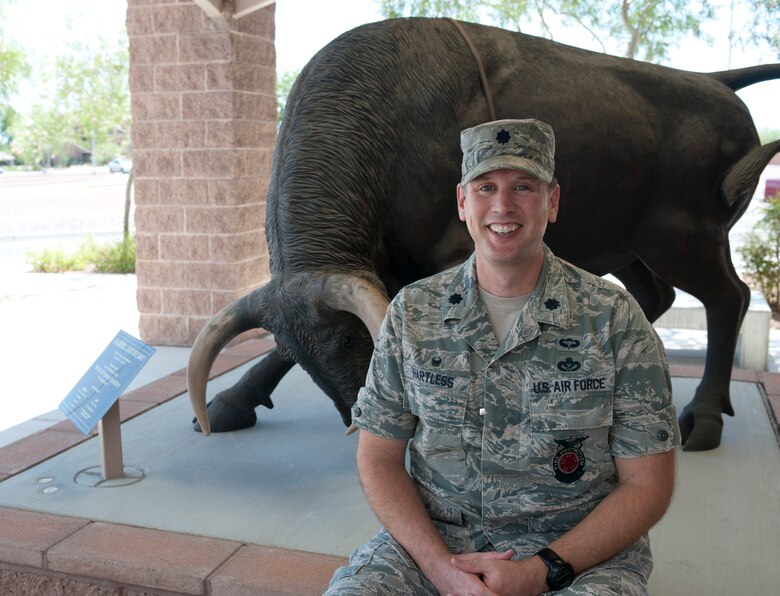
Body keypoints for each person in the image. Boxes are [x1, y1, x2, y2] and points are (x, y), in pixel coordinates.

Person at [325, 119, 680, 595]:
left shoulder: (612, 319)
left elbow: (647, 484)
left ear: (552, 202)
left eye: (524, 187)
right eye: (486, 186)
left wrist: (542, 570)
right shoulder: (413, 313)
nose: (503, 206)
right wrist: (441, 570)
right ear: (462, 202)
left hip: (576, 557)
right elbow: (378, 456)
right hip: (436, 548)